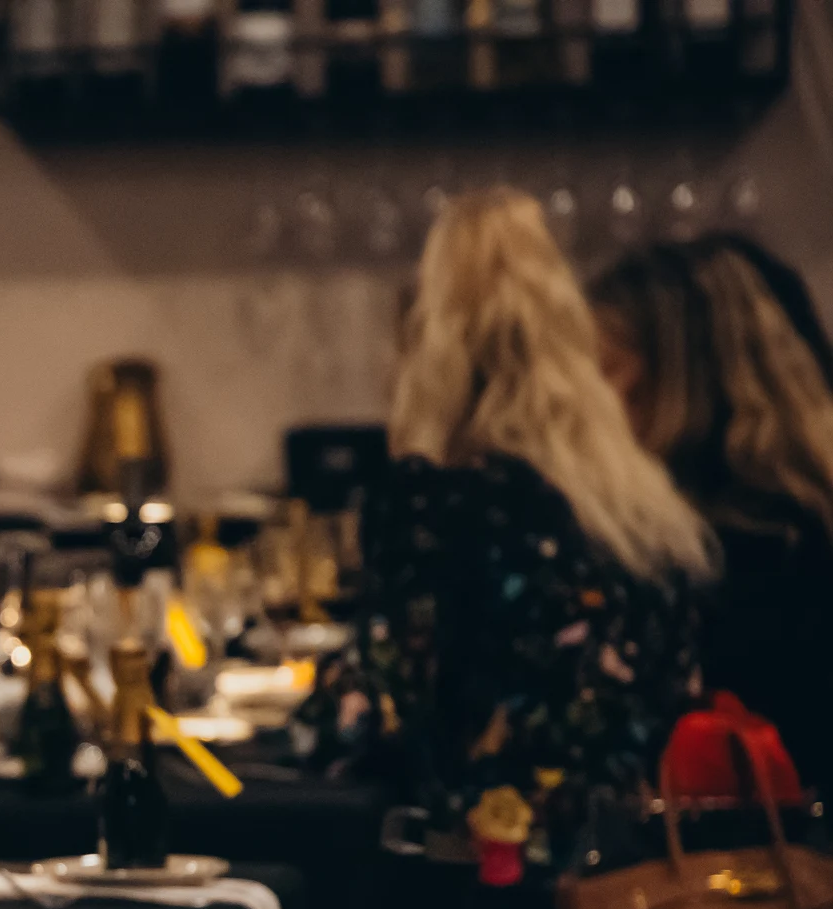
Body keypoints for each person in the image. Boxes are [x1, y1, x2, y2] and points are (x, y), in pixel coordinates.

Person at [306, 187, 715, 855]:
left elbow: (374, 716)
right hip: (639, 882)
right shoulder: (640, 505)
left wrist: (318, 701)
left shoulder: (434, 504)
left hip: (489, 884)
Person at [591, 238, 833, 787]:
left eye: (604, 370)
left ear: (676, 383)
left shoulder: (733, 554)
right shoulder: (801, 521)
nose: (584, 402)